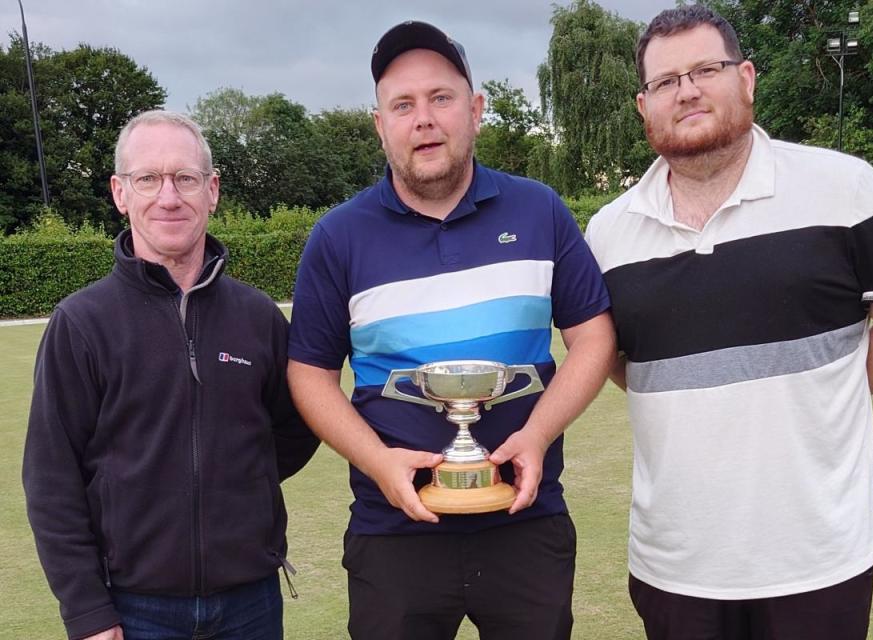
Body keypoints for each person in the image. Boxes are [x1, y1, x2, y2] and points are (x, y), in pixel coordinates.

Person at [584, 6, 873, 640]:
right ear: (645, 105)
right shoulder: (608, 233)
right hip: (675, 565)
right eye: (666, 81)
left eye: (705, 69)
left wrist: (821, 397)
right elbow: (614, 360)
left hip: (820, 559)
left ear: (745, 77)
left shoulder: (849, 189)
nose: (687, 90)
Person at [287, 20, 616, 640]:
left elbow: (593, 335)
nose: (424, 119)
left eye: (441, 98)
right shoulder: (338, 236)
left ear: (475, 109)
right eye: (402, 105)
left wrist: (538, 435)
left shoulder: (540, 210)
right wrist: (378, 462)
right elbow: (309, 375)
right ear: (381, 124)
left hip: (525, 518)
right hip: (394, 531)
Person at [22, 110, 319, 640]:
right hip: (133, 609)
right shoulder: (81, 323)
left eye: (185, 178)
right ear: (120, 192)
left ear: (212, 191)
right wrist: (88, 612)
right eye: (148, 179)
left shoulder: (258, 319)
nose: (168, 197)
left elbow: (295, 429)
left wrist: (236, 484)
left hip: (251, 602)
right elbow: (51, 478)